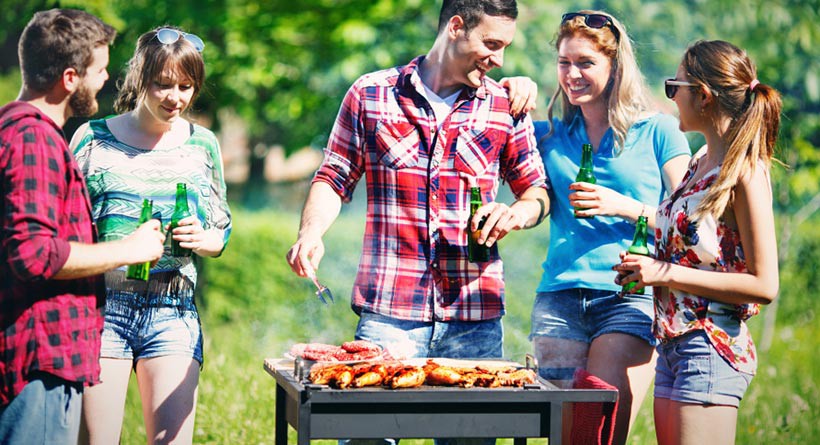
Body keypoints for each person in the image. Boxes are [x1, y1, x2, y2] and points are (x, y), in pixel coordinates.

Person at [286, 0, 547, 444]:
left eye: (505, 47)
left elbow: (536, 193)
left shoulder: (506, 104)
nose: (500, 59)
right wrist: (310, 232)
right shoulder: (371, 93)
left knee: (471, 440)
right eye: (491, 43)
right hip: (390, 313)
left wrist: (515, 213)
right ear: (455, 27)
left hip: (474, 314)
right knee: (368, 438)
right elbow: (333, 176)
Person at [505, 10, 692, 445]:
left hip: (628, 296)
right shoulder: (548, 134)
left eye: (586, 63)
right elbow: (487, 123)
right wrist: (510, 88)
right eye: (564, 63)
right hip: (558, 298)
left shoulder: (659, 132)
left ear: (615, 66)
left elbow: (691, 221)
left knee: (595, 435)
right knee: (559, 436)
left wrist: (623, 207)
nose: (572, 74)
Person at [0, 9, 166, 445]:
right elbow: (33, 253)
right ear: (70, 78)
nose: (108, 79)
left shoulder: (19, 133)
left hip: (42, 360)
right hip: (37, 363)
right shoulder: (32, 139)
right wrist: (129, 250)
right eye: (100, 69)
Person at [69, 26, 231, 445]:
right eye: (163, 85)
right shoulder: (92, 139)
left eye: (186, 86)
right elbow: (68, 230)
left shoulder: (203, 145)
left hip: (173, 309)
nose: (175, 97)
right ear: (141, 79)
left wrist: (204, 238)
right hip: (103, 307)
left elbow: (221, 230)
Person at [615, 39, 781, 445]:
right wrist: (647, 267)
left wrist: (663, 272)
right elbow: (697, 250)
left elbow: (764, 285)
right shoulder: (697, 162)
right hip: (674, 343)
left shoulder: (744, 172)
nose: (670, 97)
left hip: (711, 346)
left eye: (676, 87)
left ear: (703, 97)